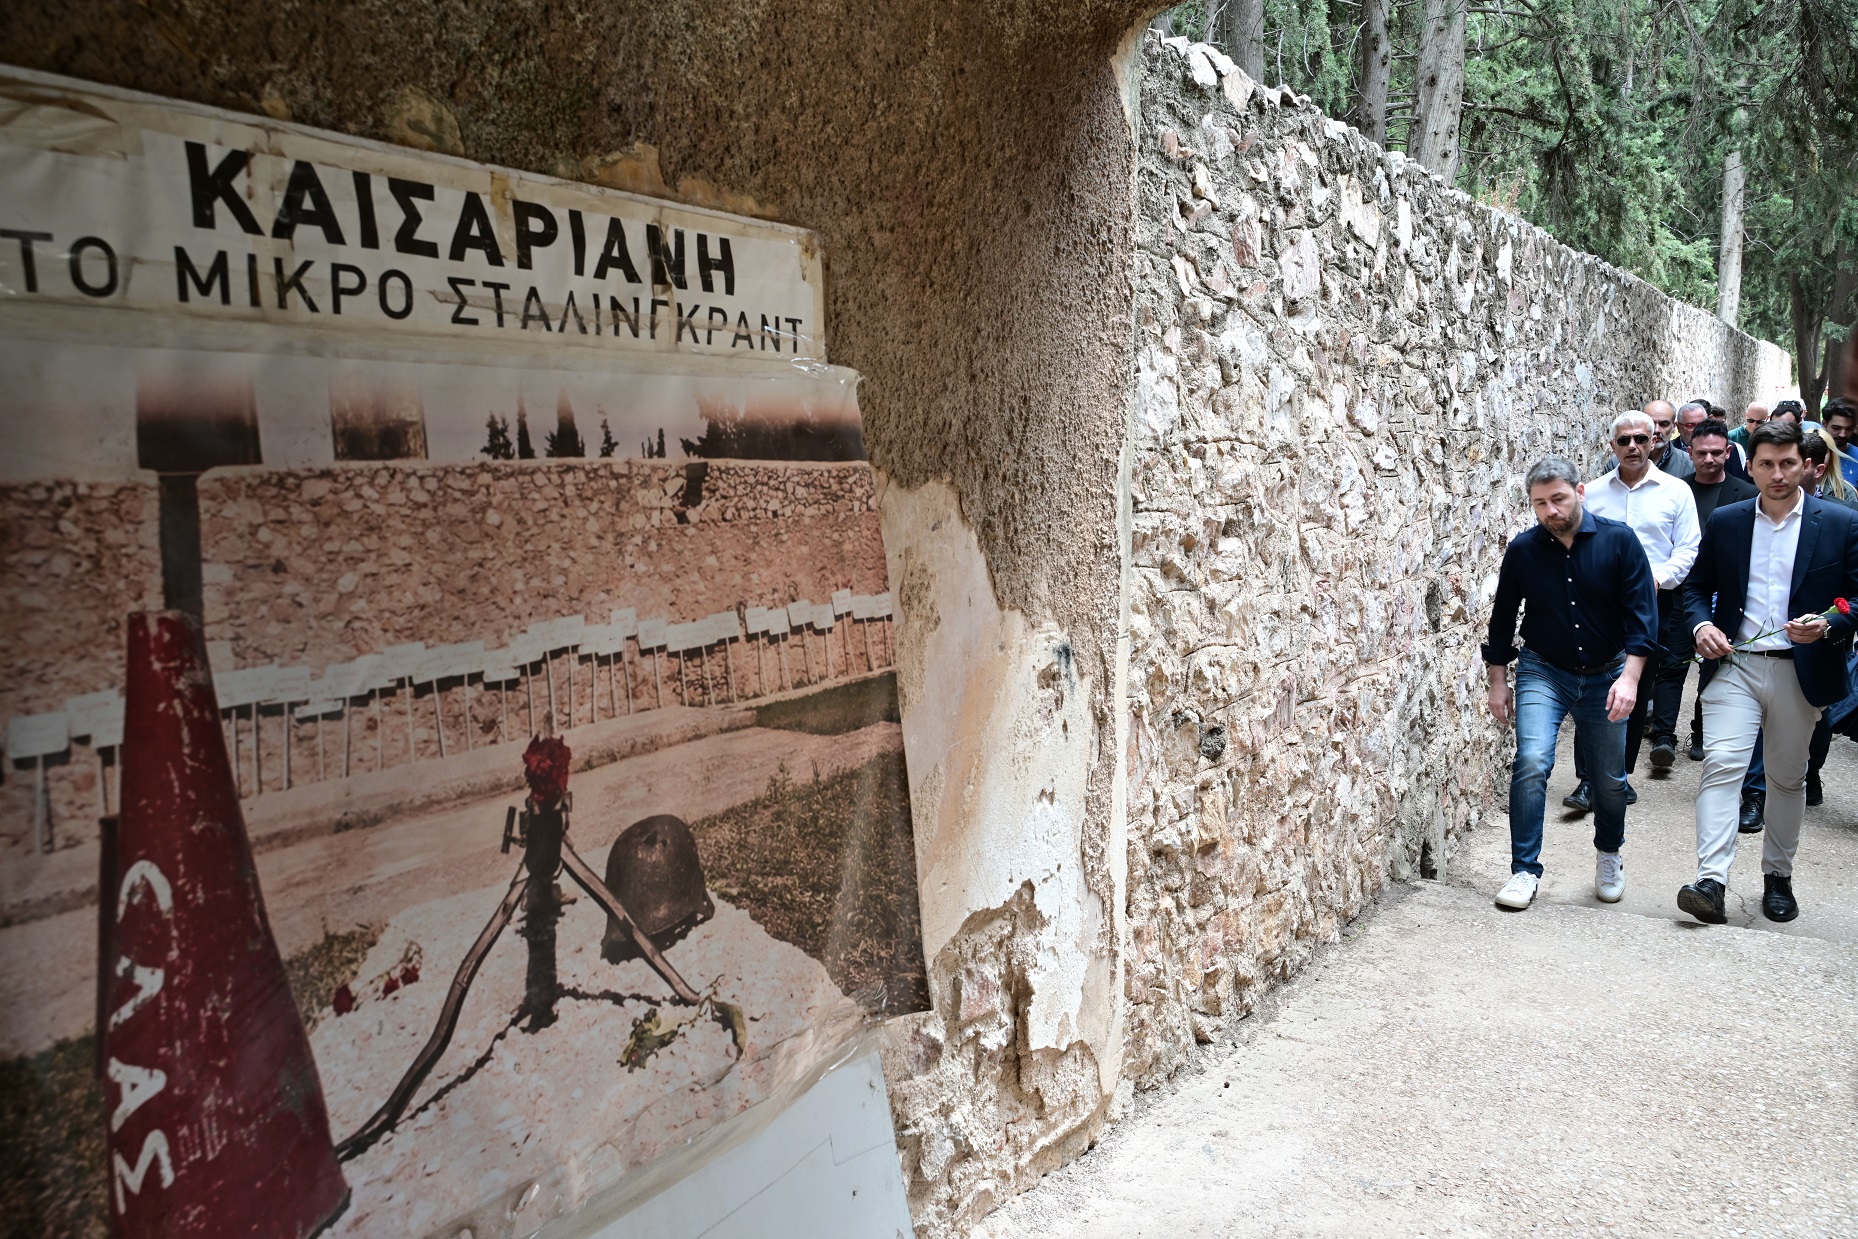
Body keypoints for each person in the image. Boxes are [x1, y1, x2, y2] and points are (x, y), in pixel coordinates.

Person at [1679, 421, 1858, 925]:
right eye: (1766, 464)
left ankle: (1777, 876)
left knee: (1785, 778)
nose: (1777, 474)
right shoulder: (1729, 521)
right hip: (1735, 665)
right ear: (1751, 466)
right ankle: (1710, 880)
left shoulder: (1840, 523)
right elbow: (1696, 587)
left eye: (1787, 463)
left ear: (1806, 466)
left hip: (1800, 671)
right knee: (1723, 765)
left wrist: (1827, 624)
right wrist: (1701, 625)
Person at [1484, 456, 1657, 911]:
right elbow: (1502, 620)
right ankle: (1524, 870)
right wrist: (1497, 681)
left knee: (1609, 779)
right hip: (1545, 669)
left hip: (1608, 673)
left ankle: (1608, 854)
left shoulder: (1620, 542)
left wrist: (1631, 679)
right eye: (1540, 503)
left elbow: (1644, 618)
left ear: (1580, 492)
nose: (1550, 511)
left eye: (1558, 498)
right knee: (1533, 759)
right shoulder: (1523, 550)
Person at [1566, 410, 1700, 807]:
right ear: (1612, 446)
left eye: (1641, 439)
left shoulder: (1676, 492)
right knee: (1590, 686)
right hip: (1598, 607)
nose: (1633, 447)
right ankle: (1588, 779)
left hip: (1653, 603)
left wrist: (1656, 579)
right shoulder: (1592, 492)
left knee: (1636, 688)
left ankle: (1618, 776)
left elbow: (1689, 547)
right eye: (1624, 441)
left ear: (1655, 440)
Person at [1672, 420, 1758, 763]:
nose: (1710, 459)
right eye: (1702, 452)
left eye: (1717, 452)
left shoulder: (1748, 494)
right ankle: (1664, 730)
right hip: (1681, 585)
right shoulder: (1677, 489)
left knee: (1717, 657)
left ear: (1728, 452)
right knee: (1675, 662)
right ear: (1689, 452)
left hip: (1725, 592)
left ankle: (1703, 730)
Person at [1822, 398, 1858, 488]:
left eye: (1849, 429)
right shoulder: (1808, 453)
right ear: (1824, 424)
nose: (1842, 434)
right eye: (1836, 428)